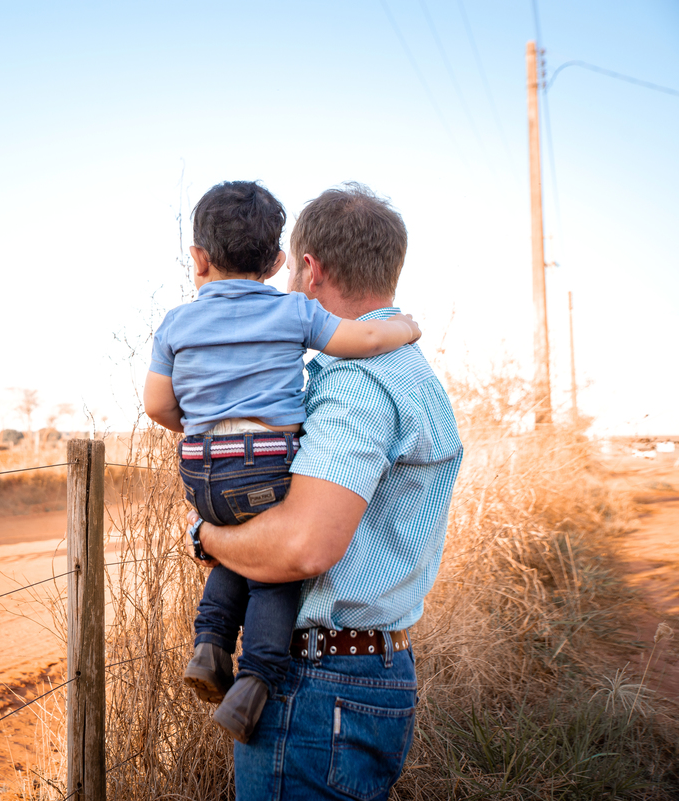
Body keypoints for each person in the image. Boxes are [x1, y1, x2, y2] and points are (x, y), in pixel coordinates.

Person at [188, 182, 463, 800]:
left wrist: (205, 535)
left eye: (292, 269)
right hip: (368, 671)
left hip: (319, 683)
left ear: (310, 270)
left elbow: (305, 548)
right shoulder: (407, 368)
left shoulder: (355, 382)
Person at [143, 181, 422, 744]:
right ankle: (256, 679)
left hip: (201, 467)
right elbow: (365, 340)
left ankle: (209, 643)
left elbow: (157, 405)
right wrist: (404, 328)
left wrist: (202, 428)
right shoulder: (294, 312)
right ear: (275, 263)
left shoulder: (174, 323)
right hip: (264, 462)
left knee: (239, 539)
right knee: (273, 573)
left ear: (198, 258)